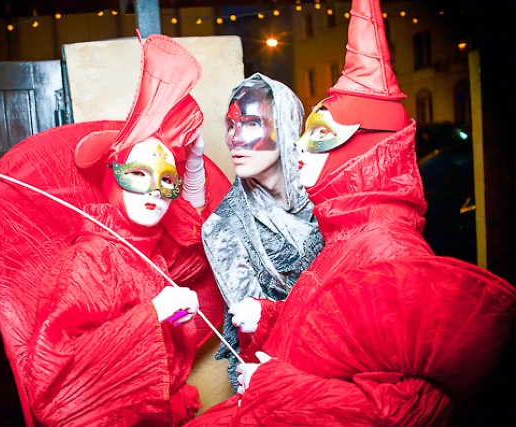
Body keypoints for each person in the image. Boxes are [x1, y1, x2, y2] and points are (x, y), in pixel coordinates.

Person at [184, 0, 516, 425]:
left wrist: (273, 383)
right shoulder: (339, 227)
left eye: (320, 134)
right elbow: (326, 328)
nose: (235, 139)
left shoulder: (382, 246)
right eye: (230, 126)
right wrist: (265, 320)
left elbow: (405, 405)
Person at [0, 33, 230, 427]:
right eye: (138, 174)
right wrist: (152, 316)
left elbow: (196, 251)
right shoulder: (90, 260)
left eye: (167, 180)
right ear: (112, 177)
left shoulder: (146, 248)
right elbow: (53, 385)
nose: (155, 190)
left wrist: (195, 163)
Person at [201, 74, 324, 388]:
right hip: (276, 372)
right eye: (231, 125)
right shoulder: (223, 227)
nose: (235, 139)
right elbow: (258, 326)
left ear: (286, 125)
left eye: (252, 123)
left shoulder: (326, 191)